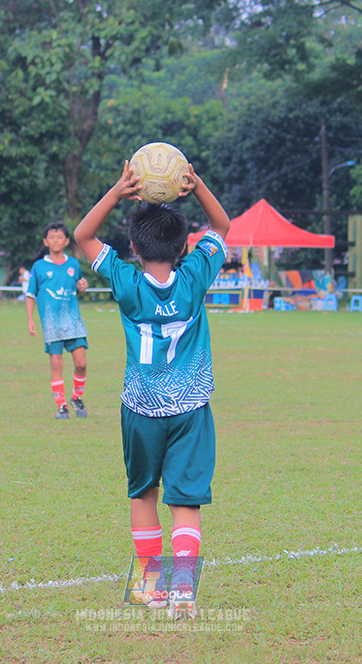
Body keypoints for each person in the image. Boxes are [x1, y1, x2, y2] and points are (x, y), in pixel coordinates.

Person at [74, 159, 230, 619]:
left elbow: (84, 235)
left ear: (133, 248)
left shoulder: (125, 281)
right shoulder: (196, 275)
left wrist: (118, 191)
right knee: (186, 501)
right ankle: (184, 591)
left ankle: (153, 585)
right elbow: (222, 224)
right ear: (185, 245)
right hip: (190, 408)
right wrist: (196, 184)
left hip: (141, 409)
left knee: (144, 495)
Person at [25, 222, 91, 420]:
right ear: (45, 241)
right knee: (56, 364)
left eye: (59, 237)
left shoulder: (73, 264)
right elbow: (30, 295)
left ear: (67, 241)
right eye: (51, 237)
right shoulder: (39, 267)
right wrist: (30, 320)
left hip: (73, 321)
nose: (56, 240)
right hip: (51, 323)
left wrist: (82, 287)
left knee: (81, 362)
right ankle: (61, 405)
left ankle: (77, 398)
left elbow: (77, 286)